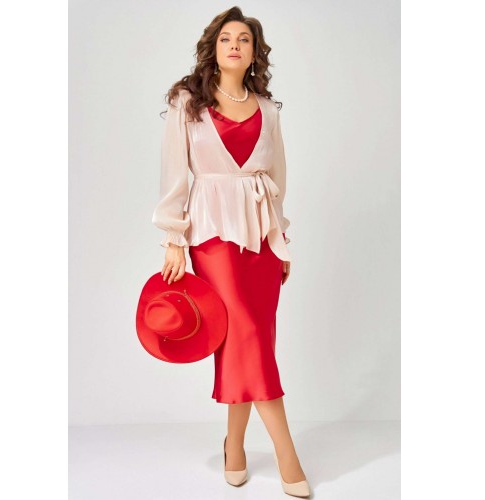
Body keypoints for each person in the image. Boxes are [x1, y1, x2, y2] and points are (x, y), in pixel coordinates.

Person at [152, 6, 310, 498]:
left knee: (250, 341)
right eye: (226, 39)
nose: (234, 45)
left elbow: (278, 178)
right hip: (212, 235)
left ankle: (234, 446)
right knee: (245, 334)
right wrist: (174, 238)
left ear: (255, 52)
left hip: (261, 240)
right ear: (213, 48)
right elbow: (175, 174)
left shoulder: (267, 109)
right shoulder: (188, 102)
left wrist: (280, 238)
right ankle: (287, 453)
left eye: (244, 39)